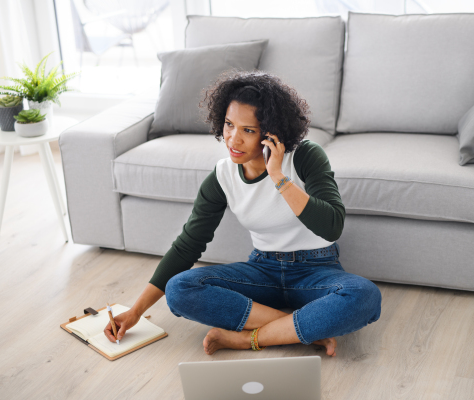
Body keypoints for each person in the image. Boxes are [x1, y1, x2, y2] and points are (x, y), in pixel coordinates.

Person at [104, 69, 382, 357]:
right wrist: (136, 311)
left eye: (247, 130)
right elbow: (189, 245)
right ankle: (297, 329)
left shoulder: (305, 157)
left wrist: (278, 177)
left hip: (316, 270)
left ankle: (249, 338)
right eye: (228, 125)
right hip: (263, 271)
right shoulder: (223, 176)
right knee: (180, 289)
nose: (233, 139)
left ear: (271, 132)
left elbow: (332, 226)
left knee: (364, 296)